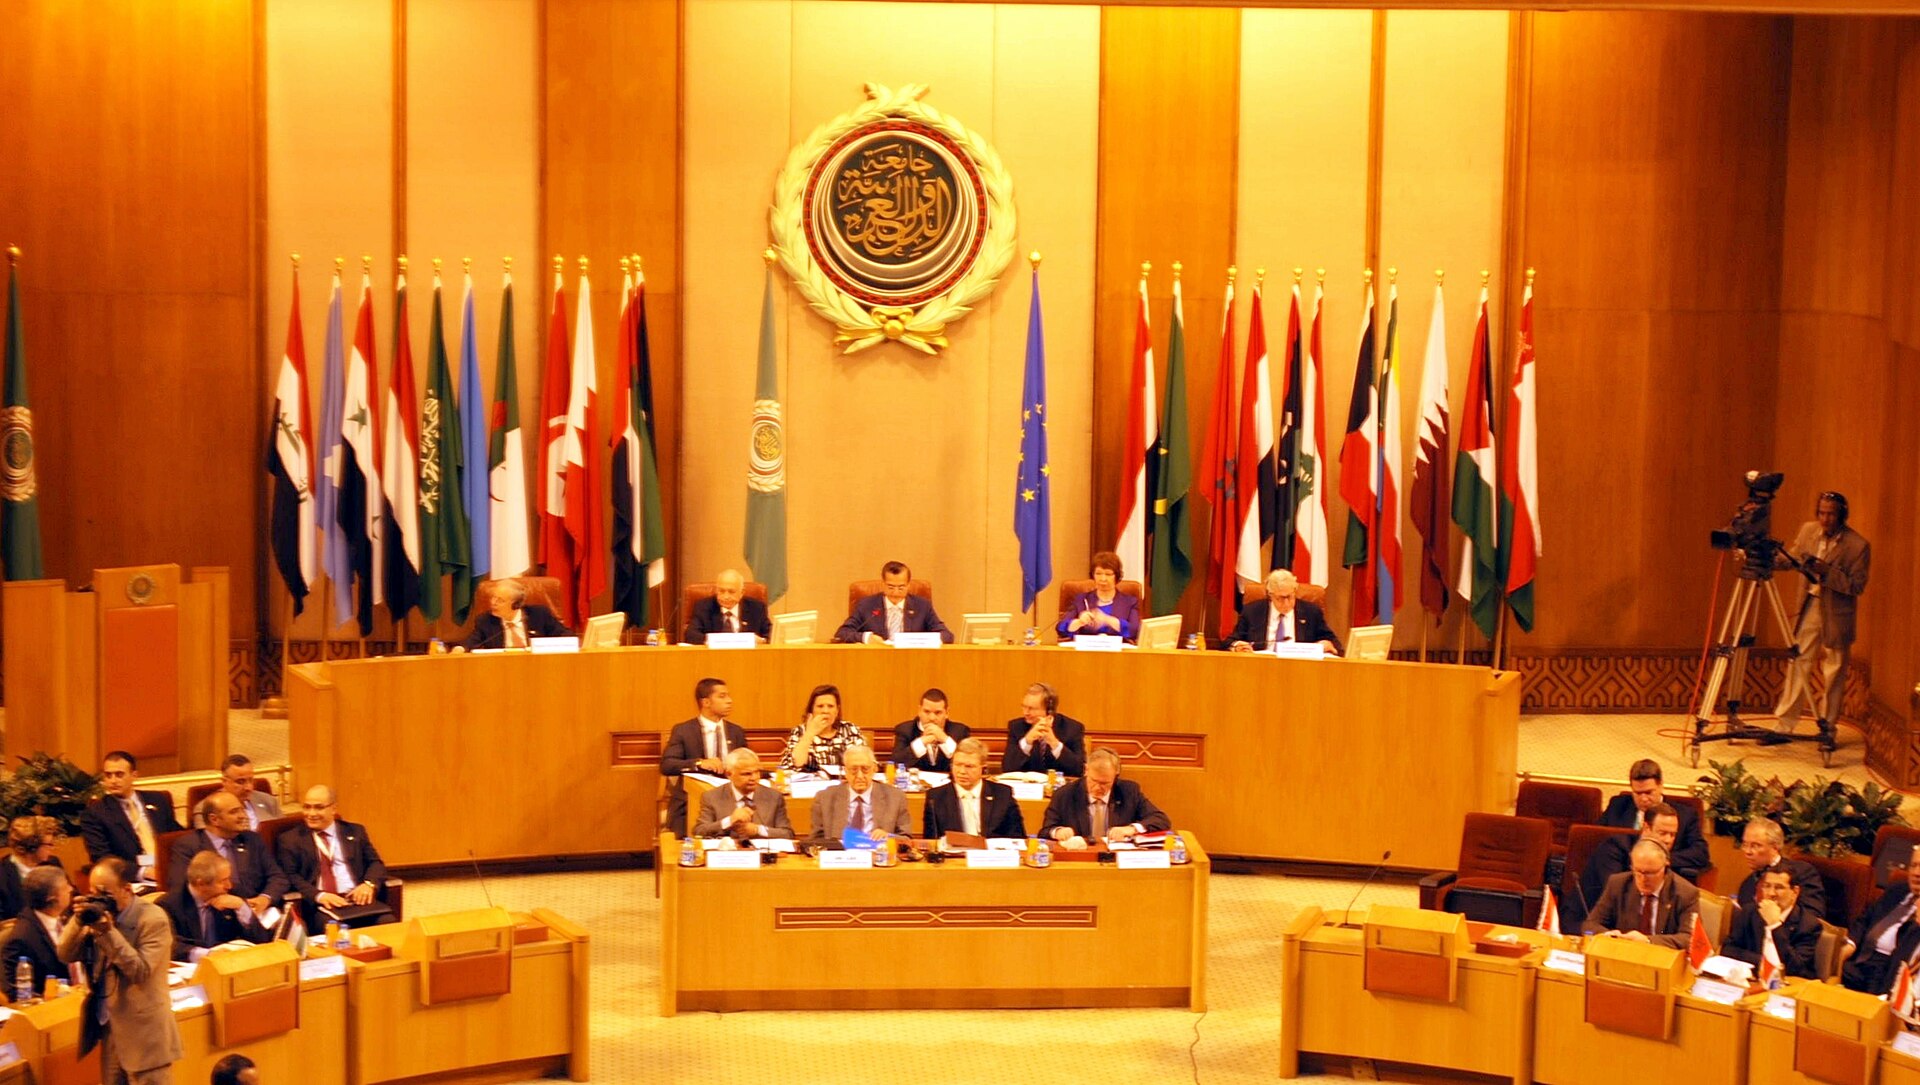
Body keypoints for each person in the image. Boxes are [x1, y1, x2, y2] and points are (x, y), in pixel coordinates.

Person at [58, 857, 184, 1083]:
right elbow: (65, 954)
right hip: (110, 1030)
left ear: (127, 889)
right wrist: (78, 920)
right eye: (93, 893)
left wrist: (107, 932)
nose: (98, 900)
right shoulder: (97, 918)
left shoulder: (153, 919)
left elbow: (139, 971)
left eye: (104, 893)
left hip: (145, 1035)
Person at [1769, 492, 1871, 748]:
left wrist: (1828, 573)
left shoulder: (1858, 546)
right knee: (1798, 660)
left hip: (1837, 614)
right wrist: (1770, 558)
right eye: (1821, 513)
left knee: (1834, 670)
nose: (1825, 519)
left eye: (1831, 514)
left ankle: (1827, 729)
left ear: (1841, 515)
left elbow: (1856, 586)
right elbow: (1793, 558)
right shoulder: (1808, 531)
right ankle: (1784, 724)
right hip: (1810, 606)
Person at [275, 785, 391, 928]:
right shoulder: (290, 839)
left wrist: (368, 885)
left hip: (356, 899)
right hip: (322, 906)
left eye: (318, 807)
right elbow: (290, 875)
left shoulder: (355, 831)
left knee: (387, 922)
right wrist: (319, 896)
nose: (311, 813)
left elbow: (376, 863)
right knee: (333, 930)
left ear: (333, 809)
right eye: (307, 807)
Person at [167, 794, 289, 914]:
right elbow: (181, 889)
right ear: (214, 819)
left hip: (258, 913)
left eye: (242, 810)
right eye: (234, 812)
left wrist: (264, 899)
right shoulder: (188, 846)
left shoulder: (252, 839)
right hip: (216, 915)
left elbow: (277, 877)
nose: (243, 816)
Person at [660, 678, 751, 836]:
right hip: (691, 803)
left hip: (731, 802)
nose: (729, 701)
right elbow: (667, 765)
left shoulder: (736, 732)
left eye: (729, 696)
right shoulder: (683, 731)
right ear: (706, 702)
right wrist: (699, 763)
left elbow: (749, 765)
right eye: (722, 696)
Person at [1597, 759, 1711, 881]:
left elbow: (1700, 854)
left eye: (1648, 792)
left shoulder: (1685, 815)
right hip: (1616, 875)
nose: (1644, 799)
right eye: (1638, 793)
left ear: (1660, 785)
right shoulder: (1618, 806)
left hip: (1661, 880)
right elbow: (1597, 838)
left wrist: (1658, 860)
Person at [80, 751, 184, 880]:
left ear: (134, 775)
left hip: (168, 870)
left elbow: (176, 835)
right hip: (132, 879)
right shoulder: (95, 813)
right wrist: (143, 872)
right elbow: (101, 857)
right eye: (108, 775)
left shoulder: (158, 800)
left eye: (119, 775)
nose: (113, 781)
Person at [1572, 804, 1680, 929]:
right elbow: (1618, 895)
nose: (1668, 840)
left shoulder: (1665, 858)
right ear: (1646, 828)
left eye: (1672, 835)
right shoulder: (1614, 848)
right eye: (1662, 833)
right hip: (1589, 921)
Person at [1580, 840, 1702, 949]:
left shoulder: (1686, 893)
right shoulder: (1618, 884)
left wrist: (1648, 941)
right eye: (1638, 871)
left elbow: (1690, 939)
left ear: (1665, 866)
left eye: (1650, 873)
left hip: (1662, 961)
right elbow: (1589, 926)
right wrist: (1607, 936)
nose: (1643, 879)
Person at [1040, 748, 1170, 848]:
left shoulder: (1129, 791)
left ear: (1116, 775)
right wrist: (1058, 831)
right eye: (1093, 781)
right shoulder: (1065, 794)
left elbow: (1161, 820)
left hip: (1116, 861)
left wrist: (1131, 829)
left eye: (1105, 783)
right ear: (1086, 770)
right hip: (1079, 860)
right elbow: (1045, 831)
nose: (1097, 788)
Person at [160, 852, 269, 962]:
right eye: (222, 881)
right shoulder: (168, 905)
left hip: (230, 964)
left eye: (228, 878)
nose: (229, 885)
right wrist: (208, 955)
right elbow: (168, 946)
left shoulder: (233, 894)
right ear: (201, 884)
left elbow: (263, 940)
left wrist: (242, 907)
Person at [1723, 867, 1821, 980]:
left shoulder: (1809, 925)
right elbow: (1728, 950)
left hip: (1788, 986)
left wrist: (1775, 926)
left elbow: (1793, 967)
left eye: (1779, 888)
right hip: (1751, 978)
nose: (1771, 893)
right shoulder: (1749, 912)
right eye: (1767, 886)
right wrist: (1764, 963)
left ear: (1795, 892)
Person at [1843, 862, 1920, 996]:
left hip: (1889, 970)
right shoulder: (1897, 890)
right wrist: (1851, 943)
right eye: (1913, 866)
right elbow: (1865, 918)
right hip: (1863, 957)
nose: (1916, 873)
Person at [924, 739, 1025, 840]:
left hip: (992, 854)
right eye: (957, 765)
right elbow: (931, 841)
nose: (962, 771)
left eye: (969, 766)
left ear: (983, 768)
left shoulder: (1002, 794)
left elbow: (1017, 838)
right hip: (954, 854)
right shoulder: (936, 797)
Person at [3, 865, 77, 1002]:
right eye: (65, 886)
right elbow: (18, 993)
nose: (71, 889)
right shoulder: (22, 938)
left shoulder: (68, 917)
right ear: (52, 898)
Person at [1224, 569, 1341, 654]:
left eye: (1289, 597)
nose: (1286, 603)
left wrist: (1327, 644)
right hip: (1260, 668)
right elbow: (1229, 641)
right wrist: (1238, 645)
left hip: (1300, 669)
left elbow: (1335, 644)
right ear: (1270, 595)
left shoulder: (1311, 612)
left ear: (1295, 591)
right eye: (1280, 598)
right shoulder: (1252, 611)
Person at [834, 561, 954, 644]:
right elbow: (842, 634)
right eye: (891, 587)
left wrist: (921, 640)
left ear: (908, 585)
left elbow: (947, 635)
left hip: (913, 661)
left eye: (901, 587)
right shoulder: (866, 605)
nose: (895, 593)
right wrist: (867, 638)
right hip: (876, 660)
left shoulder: (922, 606)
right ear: (883, 584)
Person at [809, 747, 909, 844]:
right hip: (840, 857)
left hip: (878, 856)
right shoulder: (825, 798)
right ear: (845, 771)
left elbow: (906, 839)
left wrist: (889, 837)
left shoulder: (895, 797)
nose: (860, 776)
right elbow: (816, 841)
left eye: (865, 769)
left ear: (874, 768)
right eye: (853, 769)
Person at [1733, 817, 1826, 920]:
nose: (1748, 852)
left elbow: (1813, 917)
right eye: (1745, 845)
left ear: (1775, 847)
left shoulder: (1803, 873)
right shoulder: (1747, 885)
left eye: (1756, 846)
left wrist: (1777, 918)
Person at [693, 749, 795, 840]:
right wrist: (729, 821)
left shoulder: (774, 797)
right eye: (746, 774)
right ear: (729, 774)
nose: (754, 778)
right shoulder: (711, 797)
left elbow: (787, 834)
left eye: (757, 772)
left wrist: (757, 830)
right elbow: (699, 831)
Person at [460, 579, 572, 650]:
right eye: (493, 598)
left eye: (500, 600)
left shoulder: (539, 614)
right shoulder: (485, 620)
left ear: (516, 605)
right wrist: (460, 648)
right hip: (501, 670)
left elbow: (566, 635)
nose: (493, 603)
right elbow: (472, 641)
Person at [1002, 683, 1086, 776]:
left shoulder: (1072, 728)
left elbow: (1079, 770)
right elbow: (1007, 768)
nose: (1025, 712)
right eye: (1024, 706)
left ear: (1049, 710)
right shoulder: (1016, 727)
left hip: (1060, 788)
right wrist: (1027, 741)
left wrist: (1054, 744)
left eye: (1032, 708)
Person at [779, 684, 867, 773]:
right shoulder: (800, 731)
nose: (825, 711)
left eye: (830, 706)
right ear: (812, 710)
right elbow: (794, 765)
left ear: (837, 710)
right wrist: (809, 733)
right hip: (811, 785)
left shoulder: (849, 730)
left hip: (844, 783)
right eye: (820, 706)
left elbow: (864, 762)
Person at [1056, 551, 1142, 642]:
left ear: (1117, 576)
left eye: (1108, 574)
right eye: (1098, 574)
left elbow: (1135, 631)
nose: (1103, 579)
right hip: (1086, 652)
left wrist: (1107, 620)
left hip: (1118, 653)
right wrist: (1079, 622)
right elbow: (1061, 628)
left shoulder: (1129, 602)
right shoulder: (1081, 599)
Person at [889, 688, 972, 772]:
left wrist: (944, 739)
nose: (932, 718)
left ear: (947, 713)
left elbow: (968, 762)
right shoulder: (904, 730)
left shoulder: (960, 731)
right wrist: (922, 742)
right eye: (927, 712)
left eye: (938, 713)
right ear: (919, 711)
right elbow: (896, 763)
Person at [682, 569, 771, 644]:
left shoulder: (756, 608)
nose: (726, 596)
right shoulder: (703, 607)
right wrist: (716, 641)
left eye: (731, 592)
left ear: (742, 592)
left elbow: (771, 634)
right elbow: (690, 634)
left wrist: (762, 641)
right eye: (721, 591)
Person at [194, 755, 282, 830]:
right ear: (225, 781)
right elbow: (209, 844)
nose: (249, 788)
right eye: (240, 782)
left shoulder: (268, 800)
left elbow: (283, 832)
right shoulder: (205, 809)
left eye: (251, 780)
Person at [0, 816, 63, 919]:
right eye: (48, 844)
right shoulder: (2, 876)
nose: (52, 849)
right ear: (30, 847)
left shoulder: (53, 863)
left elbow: (71, 895)